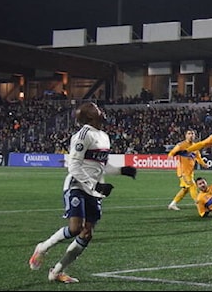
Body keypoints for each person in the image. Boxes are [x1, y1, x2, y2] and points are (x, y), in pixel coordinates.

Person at [28, 102, 137, 283]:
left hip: (93, 190)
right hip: (77, 186)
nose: (101, 111)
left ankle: (56, 271)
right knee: (75, 228)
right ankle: (42, 248)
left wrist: (122, 171)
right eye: (97, 109)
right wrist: (94, 186)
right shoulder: (83, 135)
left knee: (87, 234)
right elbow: (74, 165)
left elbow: (101, 164)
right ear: (90, 117)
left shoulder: (103, 136)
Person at [166, 129, 207, 211]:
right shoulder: (181, 145)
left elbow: (198, 158)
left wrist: (203, 164)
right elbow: (172, 152)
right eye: (189, 133)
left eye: (192, 134)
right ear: (186, 135)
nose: (191, 135)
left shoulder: (195, 146)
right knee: (193, 185)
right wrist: (170, 156)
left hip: (190, 172)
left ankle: (173, 204)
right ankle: (198, 203)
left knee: (185, 189)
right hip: (183, 172)